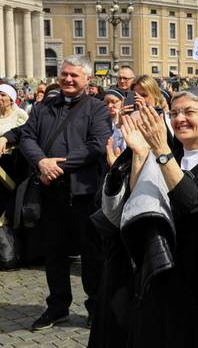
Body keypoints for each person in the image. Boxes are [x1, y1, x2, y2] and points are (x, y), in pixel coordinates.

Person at [90, 89, 198, 347]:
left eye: (189, 112)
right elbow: (138, 203)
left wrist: (161, 150)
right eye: (174, 113)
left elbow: (193, 202)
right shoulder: (170, 156)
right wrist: (140, 154)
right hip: (160, 270)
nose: (180, 118)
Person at [20, 55, 111, 330]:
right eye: (65, 75)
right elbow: (26, 137)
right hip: (50, 193)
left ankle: (96, 307)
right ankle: (57, 306)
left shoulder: (97, 108)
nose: (68, 80)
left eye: (75, 75)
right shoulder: (42, 108)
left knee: (91, 256)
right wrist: (40, 162)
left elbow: (96, 145)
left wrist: (57, 166)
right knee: (54, 253)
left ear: (87, 79)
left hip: (83, 193)